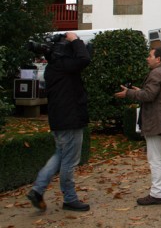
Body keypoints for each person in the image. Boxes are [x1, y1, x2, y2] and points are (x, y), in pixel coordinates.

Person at [26, 32, 91, 212]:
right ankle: (69, 199)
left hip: (58, 120)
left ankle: (38, 190)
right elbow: (85, 58)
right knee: (69, 161)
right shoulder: (66, 66)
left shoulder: (53, 68)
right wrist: (75, 39)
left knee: (59, 156)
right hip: (70, 120)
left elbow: (83, 56)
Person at [114, 47, 161, 205]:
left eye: (150, 56)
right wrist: (140, 91)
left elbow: (149, 96)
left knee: (155, 159)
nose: (147, 58)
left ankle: (156, 194)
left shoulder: (156, 73)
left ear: (158, 59)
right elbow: (155, 93)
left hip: (156, 120)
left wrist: (129, 93)